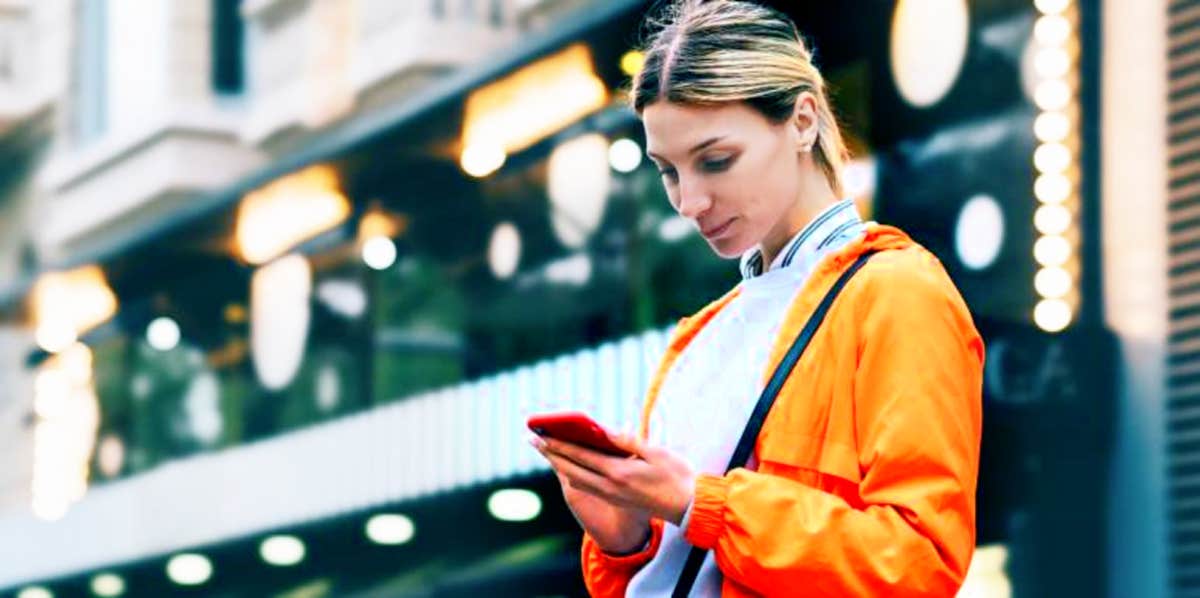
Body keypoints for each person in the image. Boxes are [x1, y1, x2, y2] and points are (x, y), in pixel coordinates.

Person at [530, 1, 984, 596]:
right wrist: (625, 539)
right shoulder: (700, 336)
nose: (690, 201)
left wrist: (699, 502)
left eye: (715, 161)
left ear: (802, 120)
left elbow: (919, 562)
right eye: (668, 171)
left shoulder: (898, 293)